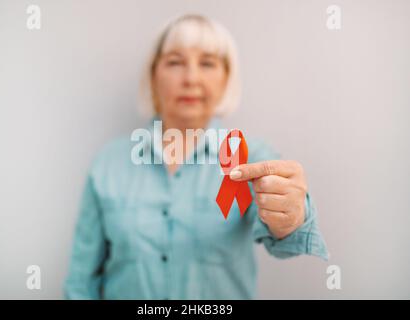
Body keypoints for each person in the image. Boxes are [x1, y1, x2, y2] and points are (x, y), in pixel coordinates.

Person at [64, 14, 328, 300]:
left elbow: (286, 244)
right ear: (153, 76)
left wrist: (290, 218)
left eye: (207, 63)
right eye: (175, 62)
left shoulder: (250, 158)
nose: (191, 78)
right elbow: (81, 282)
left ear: (227, 78)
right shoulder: (108, 164)